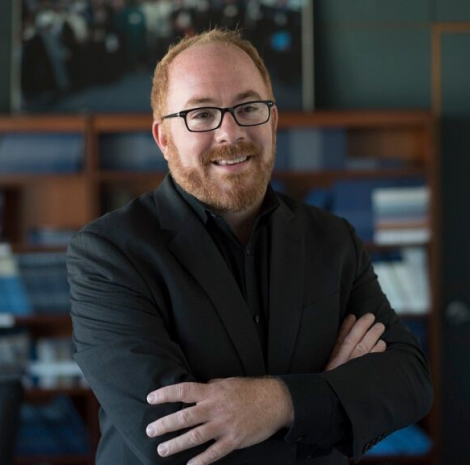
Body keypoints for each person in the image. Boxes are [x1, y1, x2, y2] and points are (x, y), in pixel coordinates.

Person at [67, 29, 433, 465]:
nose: (230, 132)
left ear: (272, 121)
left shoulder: (333, 238)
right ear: (164, 139)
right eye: (201, 114)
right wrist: (331, 401)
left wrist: (275, 404)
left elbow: (409, 384)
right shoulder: (108, 254)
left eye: (248, 108)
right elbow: (175, 444)